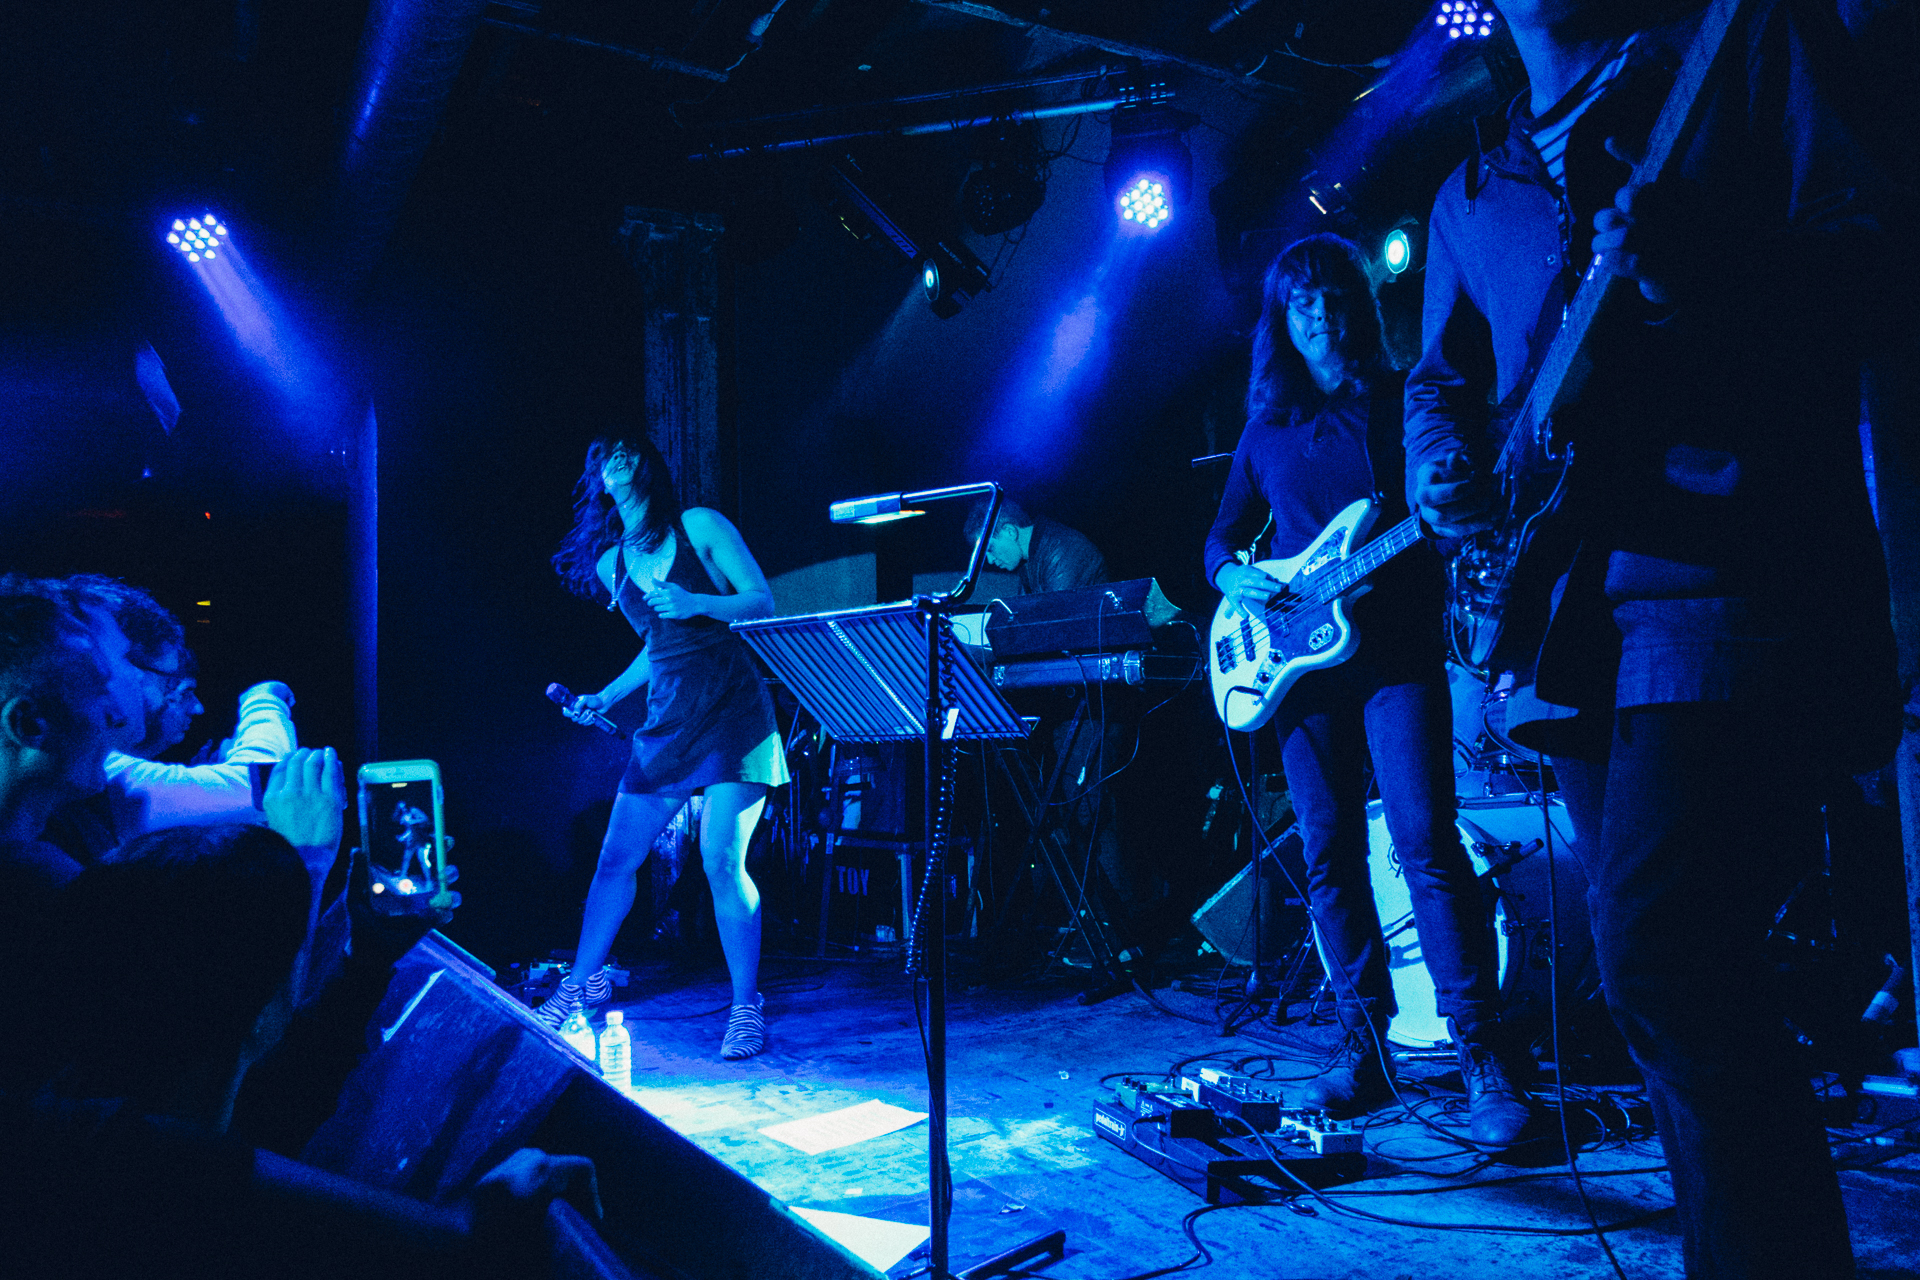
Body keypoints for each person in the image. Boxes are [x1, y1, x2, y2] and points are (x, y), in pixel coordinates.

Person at [1405, 0, 1903, 1272]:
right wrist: (1442, 461)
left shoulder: (1738, 53)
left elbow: (1877, 257)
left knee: (1666, 956)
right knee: (1677, 990)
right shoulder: (1470, 192)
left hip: (1725, 578)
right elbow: (1443, 377)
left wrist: (1701, 268)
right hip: (1566, 619)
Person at [2, 776, 599, 1280]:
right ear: (261, 1008)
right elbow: (461, 1241)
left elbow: (271, 1110)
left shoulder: (76, 1112)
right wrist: (509, 1195)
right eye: (295, 952)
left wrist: (366, 959)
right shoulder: (135, 1160)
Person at [1205, 234, 1530, 1143]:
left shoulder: (1399, 405)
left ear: (1359, 306)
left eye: (1334, 299)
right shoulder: (1265, 429)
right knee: (1327, 852)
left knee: (1427, 840)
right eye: (1302, 304)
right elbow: (1218, 539)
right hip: (1298, 669)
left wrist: (1447, 512)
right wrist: (1237, 580)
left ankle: (1481, 1051)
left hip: (1395, 656)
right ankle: (1363, 1047)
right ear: (1284, 320)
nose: (1321, 317)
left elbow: (1447, 502)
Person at [544, 432, 789, 1059]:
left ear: (648, 467)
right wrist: (606, 695)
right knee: (613, 860)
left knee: (719, 861)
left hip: (733, 709)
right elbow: (658, 647)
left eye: (630, 450)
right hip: (668, 720)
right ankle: (578, 986)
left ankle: (745, 1007)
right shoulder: (612, 565)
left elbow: (762, 600)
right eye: (607, 454)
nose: (619, 458)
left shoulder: (699, 524)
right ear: (601, 479)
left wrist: (695, 599)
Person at [41, 575, 298, 864]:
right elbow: (264, 784)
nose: (131, 678)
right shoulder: (95, 770)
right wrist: (263, 699)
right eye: (123, 659)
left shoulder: (89, 776)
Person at [963, 495, 1106, 595]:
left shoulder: (1063, 549)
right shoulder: (1029, 557)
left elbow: (1057, 621)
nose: (989, 560)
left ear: (1010, 531)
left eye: (990, 549)